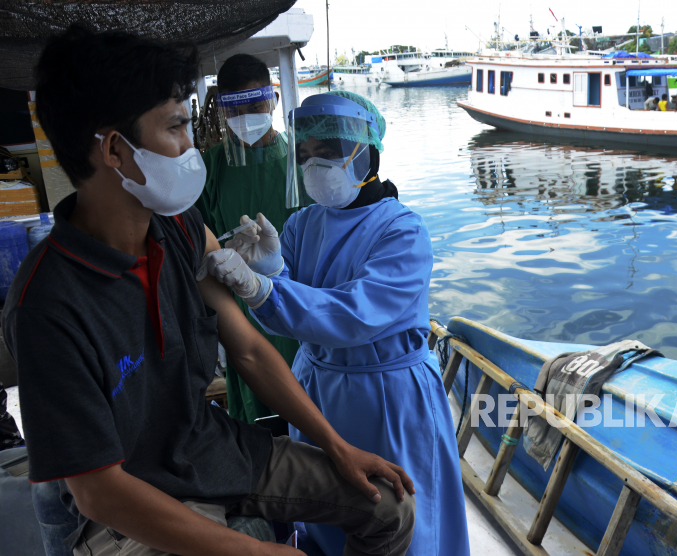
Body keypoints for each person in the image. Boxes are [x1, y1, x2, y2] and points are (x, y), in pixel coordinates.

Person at [3, 25, 416, 556]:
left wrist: (336, 447)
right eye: (176, 127)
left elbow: (245, 348)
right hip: (121, 505)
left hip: (205, 449)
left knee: (388, 505)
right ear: (114, 149)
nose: (191, 146)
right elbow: (98, 492)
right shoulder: (46, 304)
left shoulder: (178, 228)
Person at [200, 91, 470, 555]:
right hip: (319, 390)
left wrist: (264, 289)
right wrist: (273, 271)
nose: (313, 165)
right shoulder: (304, 223)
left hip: (387, 394)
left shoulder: (402, 230)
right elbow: (298, 314)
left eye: (327, 153)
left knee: (399, 507)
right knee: (325, 510)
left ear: (365, 153)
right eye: (304, 156)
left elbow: (354, 315)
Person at [195, 54, 303, 425]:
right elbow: (199, 248)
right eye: (235, 109)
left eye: (256, 104)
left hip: (303, 307)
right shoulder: (208, 170)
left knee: (308, 396)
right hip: (241, 313)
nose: (248, 117)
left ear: (273, 99)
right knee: (260, 415)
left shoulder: (300, 162)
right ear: (221, 109)